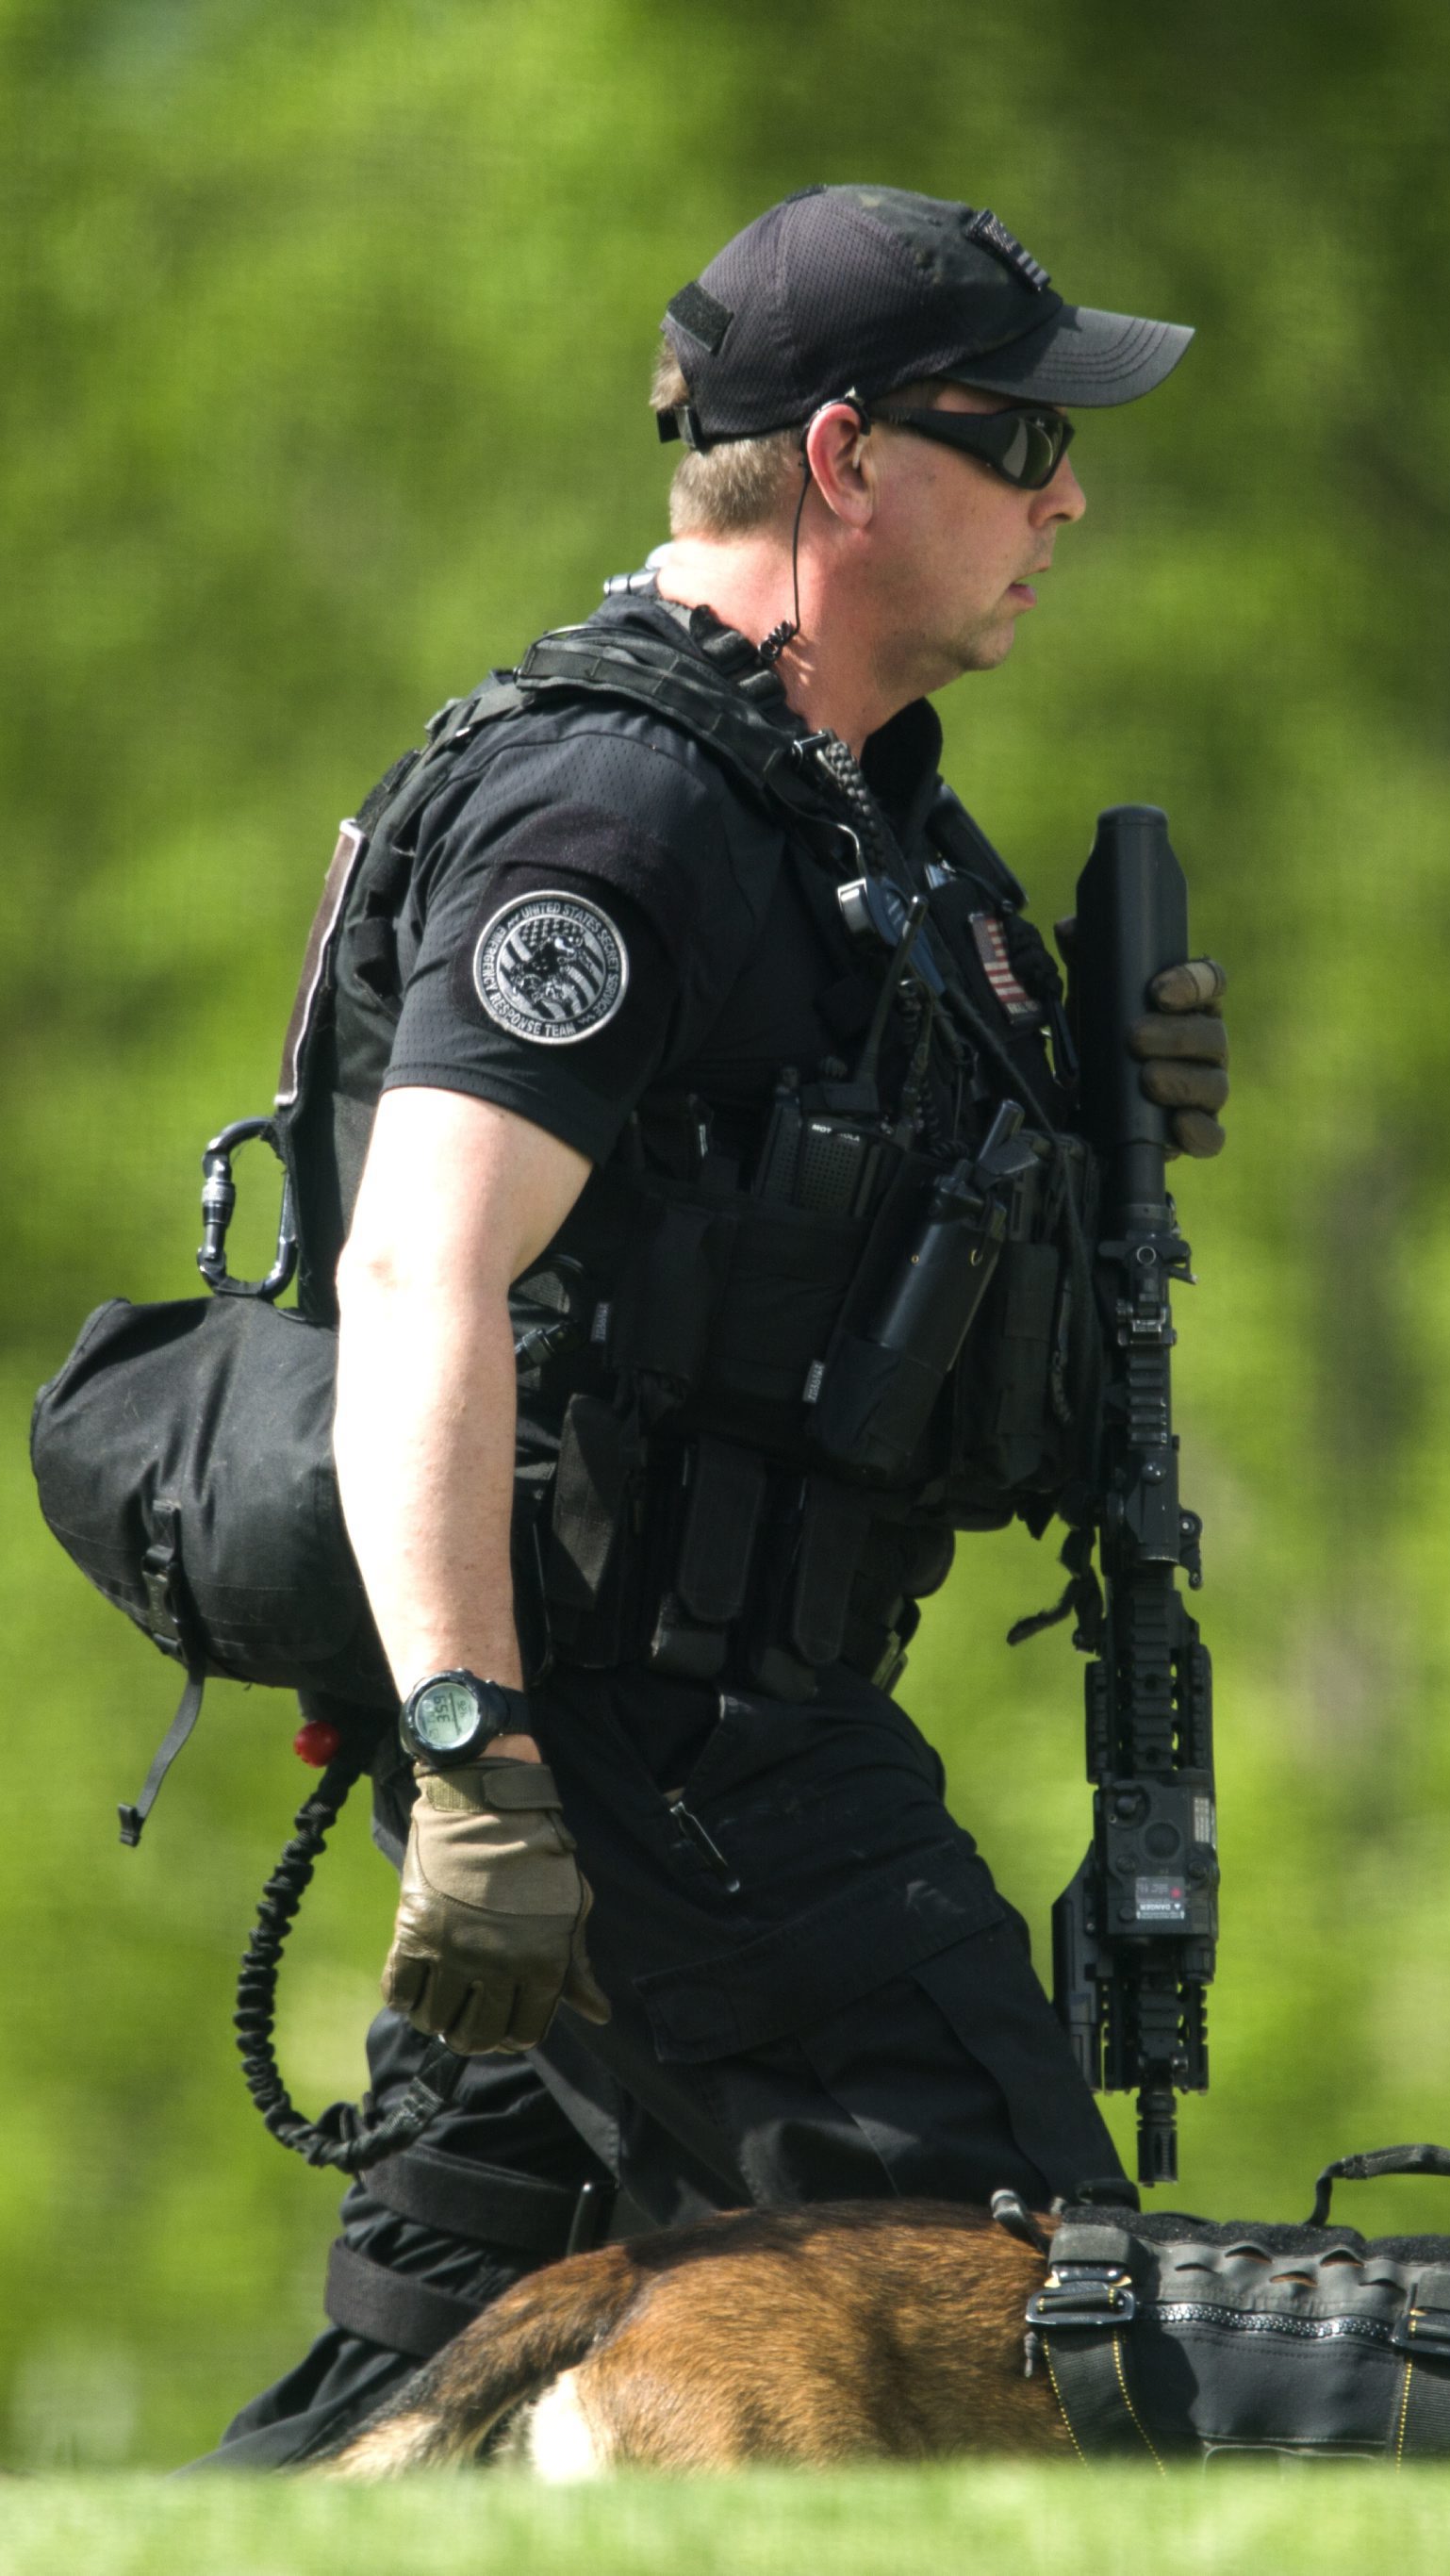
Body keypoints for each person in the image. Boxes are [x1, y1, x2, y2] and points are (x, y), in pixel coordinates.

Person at [195, 184, 1228, 2469]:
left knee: (416, 2414)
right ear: (847, 460)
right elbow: (416, 1267)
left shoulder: (858, 817)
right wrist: (479, 1762)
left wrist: (1077, 1130)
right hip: (653, 1758)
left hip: (663, 1755)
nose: (1073, 494)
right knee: (1037, 2354)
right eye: (1022, 443)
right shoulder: (623, 804)